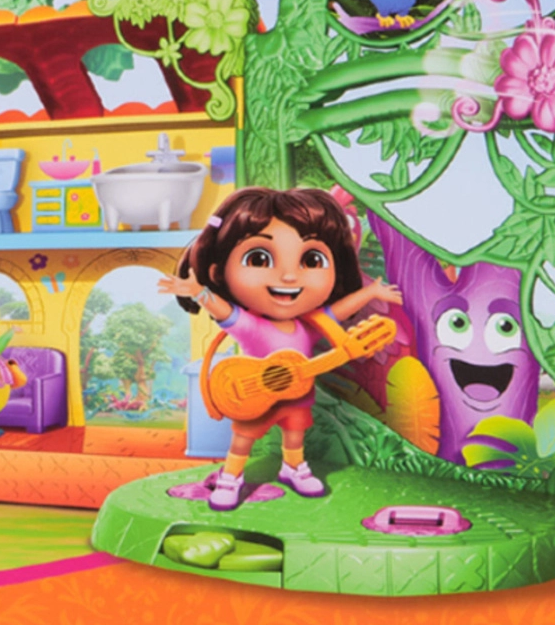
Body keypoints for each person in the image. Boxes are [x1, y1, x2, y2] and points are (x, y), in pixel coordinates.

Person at [159, 188, 400, 511]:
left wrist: (371, 292)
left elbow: (336, 312)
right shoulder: (252, 326)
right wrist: (199, 292)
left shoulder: (307, 325)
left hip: (296, 397)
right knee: (243, 439)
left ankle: (293, 467)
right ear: (219, 271)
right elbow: (224, 311)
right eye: (259, 259)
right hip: (253, 396)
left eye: (311, 260)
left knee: (295, 433)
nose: (288, 275)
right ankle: (231, 477)